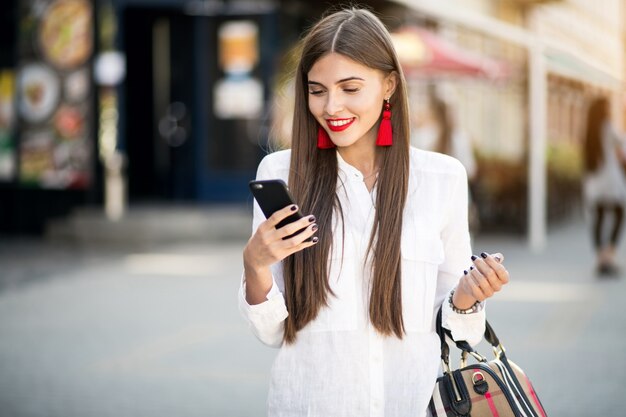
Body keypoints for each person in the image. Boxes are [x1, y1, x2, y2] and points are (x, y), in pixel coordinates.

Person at [239, 8, 510, 417]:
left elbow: (453, 325)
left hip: (411, 404)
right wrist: (255, 266)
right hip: (309, 405)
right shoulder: (281, 172)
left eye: (350, 88)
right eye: (317, 90)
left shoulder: (442, 178)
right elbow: (272, 331)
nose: (332, 106)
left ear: (388, 85)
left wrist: (468, 297)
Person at [583, 96, 626, 277]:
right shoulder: (607, 127)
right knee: (619, 213)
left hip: (594, 181)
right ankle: (608, 255)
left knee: (599, 218)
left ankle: (601, 258)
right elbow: (622, 144)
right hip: (610, 180)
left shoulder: (589, 131)